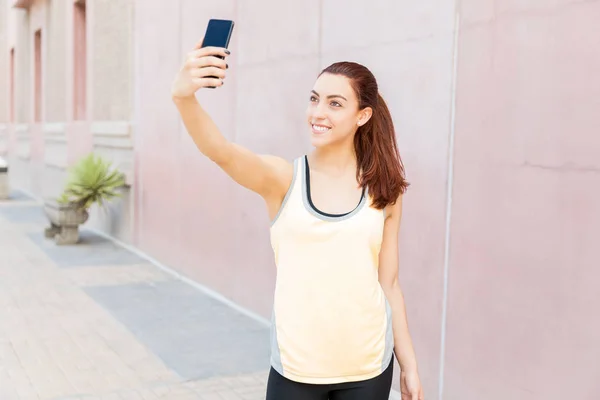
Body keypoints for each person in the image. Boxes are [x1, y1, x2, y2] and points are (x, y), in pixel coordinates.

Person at [171, 39, 424, 400]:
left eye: (335, 104)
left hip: (368, 367)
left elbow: (390, 285)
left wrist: (409, 366)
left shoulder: (385, 190)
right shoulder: (282, 179)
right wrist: (183, 97)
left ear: (362, 116)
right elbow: (221, 152)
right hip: (296, 369)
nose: (318, 112)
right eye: (314, 98)